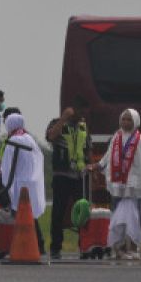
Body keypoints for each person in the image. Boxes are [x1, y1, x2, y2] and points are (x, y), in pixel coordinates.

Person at [89, 108, 141, 260]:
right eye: (123, 119)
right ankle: (119, 248)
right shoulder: (116, 137)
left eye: (129, 120)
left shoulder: (140, 140)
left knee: (134, 218)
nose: (125, 122)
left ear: (135, 122)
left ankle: (132, 247)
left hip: (134, 187)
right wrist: (97, 166)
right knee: (118, 217)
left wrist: (137, 181)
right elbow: (107, 157)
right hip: (119, 186)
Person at [46, 106, 90, 260]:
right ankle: (55, 247)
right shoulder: (57, 123)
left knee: (83, 211)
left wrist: (88, 165)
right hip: (62, 175)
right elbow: (51, 137)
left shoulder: (83, 126)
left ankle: (85, 246)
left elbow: (87, 148)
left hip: (79, 176)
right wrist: (63, 118)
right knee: (58, 212)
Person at [0, 112, 46, 255]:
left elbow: (6, 167)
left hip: (18, 183)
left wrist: (5, 182)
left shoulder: (13, 141)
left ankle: (23, 245)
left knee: (20, 216)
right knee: (30, 215)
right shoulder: (29, 139)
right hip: (31, 182)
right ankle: (38, 245)